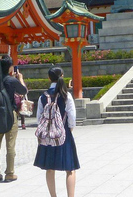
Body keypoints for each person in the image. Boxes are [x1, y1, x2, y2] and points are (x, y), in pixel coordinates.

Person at [34, 67, 79, 197]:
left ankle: (53, 196)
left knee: (49, 168)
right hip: (63, 132)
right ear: (62, 76)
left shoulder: (43, 96)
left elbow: (39, 117)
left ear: (49, 78)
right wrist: (69, 128)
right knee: (70, 168)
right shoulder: (66, 95)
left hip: (48, 134)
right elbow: (72, 115)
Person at [0, 56, 28, 183]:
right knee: (10, 144)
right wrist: (21, 79)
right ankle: (9, 173)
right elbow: (23, 90)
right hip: (10, 114)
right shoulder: (11, 80)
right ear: (10, 67)